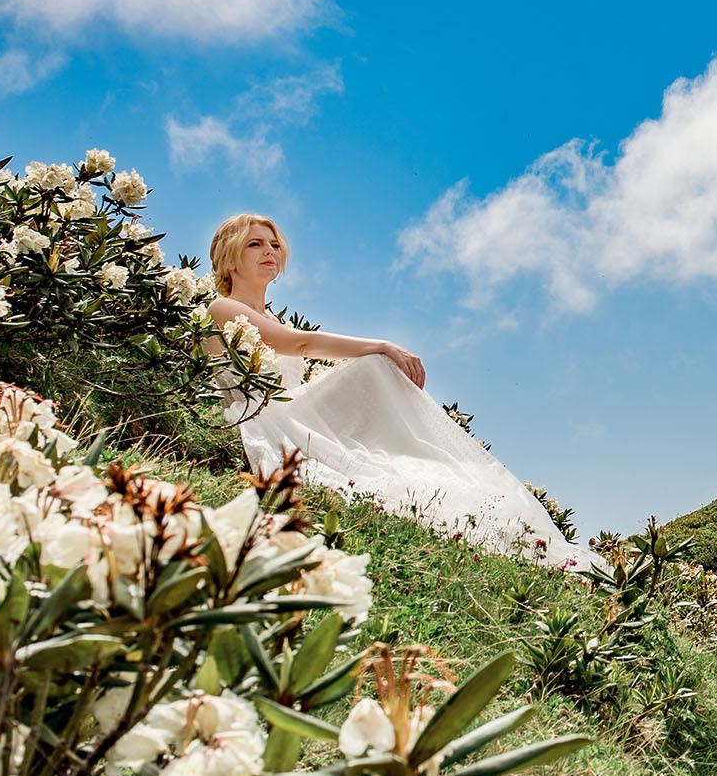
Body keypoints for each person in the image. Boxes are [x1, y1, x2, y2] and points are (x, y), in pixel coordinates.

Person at [205, 212, 590, 571]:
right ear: (230, 259)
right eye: (255, 245)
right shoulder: (222, 308)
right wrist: (383, 345)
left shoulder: (268, 317)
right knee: (375, 362)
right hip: (258, 419)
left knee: (378, 373)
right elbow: (297, 344)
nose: (269, 252)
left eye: (273, 245)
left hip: (290, 415)